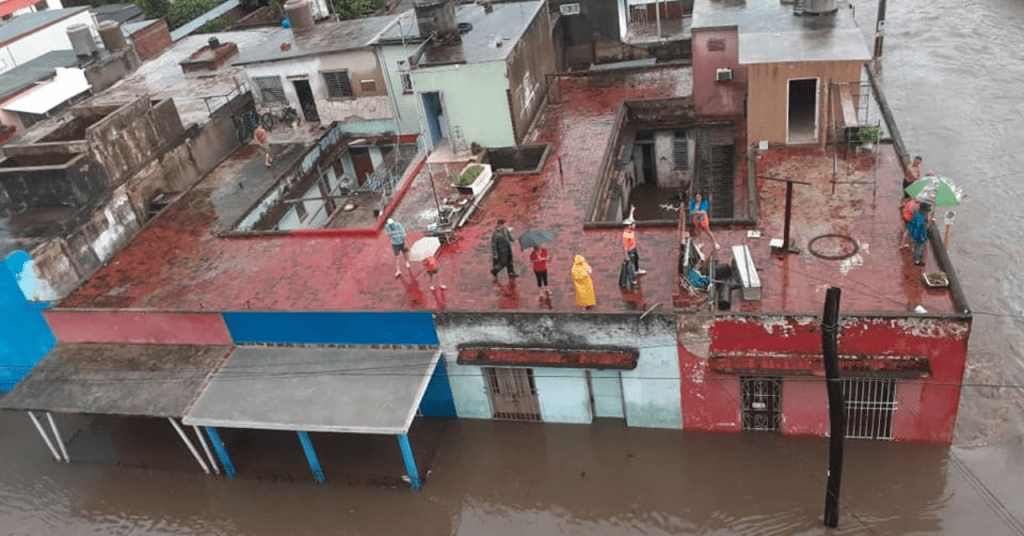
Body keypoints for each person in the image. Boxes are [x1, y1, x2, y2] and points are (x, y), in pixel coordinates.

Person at [622, 205, 647, 276]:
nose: (634, 225)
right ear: (629, 226)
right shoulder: (626, 235)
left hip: (634, 248)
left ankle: (637, 270)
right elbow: (625, 247)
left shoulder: (630, 230)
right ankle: (631, 275)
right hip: (630, 250)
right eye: (632, 224)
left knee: (636, 259)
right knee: (631, 263)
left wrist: (632, 211)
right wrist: (626, 256)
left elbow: (631, 219)